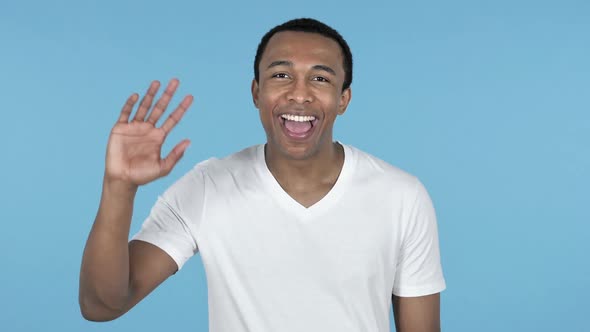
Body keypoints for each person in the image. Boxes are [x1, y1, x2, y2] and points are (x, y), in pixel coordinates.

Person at [79, 18, 446, 332]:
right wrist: (119, 187)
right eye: (281, 74)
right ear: (257, 92)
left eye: (319, 78)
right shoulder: (209, 186)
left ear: (343, 99)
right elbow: (101, 305)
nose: (299, 94)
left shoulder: (401, 196)